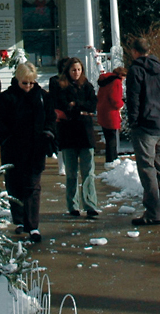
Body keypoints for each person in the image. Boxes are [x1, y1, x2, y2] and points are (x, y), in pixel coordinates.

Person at [0, 62, 55, 244]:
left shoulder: (43, 97)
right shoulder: (6, 98)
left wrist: (48, 133)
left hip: (35, 148)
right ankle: (19, 219)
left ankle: (33, 225)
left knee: (33, 186)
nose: (28, 86)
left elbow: (50, 117)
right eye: (24, 83)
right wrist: (6, 140)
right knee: (14, 186)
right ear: (17, 80)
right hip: (13, 149)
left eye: (31, 83)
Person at [125, 37, 160, 226]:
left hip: (145, 126)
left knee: (147, 169)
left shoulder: (135, 70)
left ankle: (153, 212)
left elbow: (133, 98)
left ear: (134, 51)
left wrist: (133, 121)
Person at [55, 57, 99, 218]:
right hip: (68, 134)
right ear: (68, 71)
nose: (76, 73)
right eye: (73, 70)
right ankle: (72, 205)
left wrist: (77, 105)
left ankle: (90, 204)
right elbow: (62, 105)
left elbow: (92, 105)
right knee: (72, 173)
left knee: (88, 171)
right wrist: (77, 108)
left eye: (79, 70)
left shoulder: (87, 86)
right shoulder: (62, 87)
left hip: (85, 133)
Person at [97, 66, 126, 165]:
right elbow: (115, 100)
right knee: (112, 138)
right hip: (111, 113)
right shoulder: (116, 82)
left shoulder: (105, 81)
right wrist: (122, 104)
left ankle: (111, 159)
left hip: (102, 111)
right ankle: (112, 159)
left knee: (108, 136)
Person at [48, 57, 70, 176]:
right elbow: (53, 98)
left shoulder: (74, 81)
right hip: (59, 113)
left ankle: (69, 164)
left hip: (71, 113)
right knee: (60, 140)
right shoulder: (54, 81)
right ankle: (62, 166)